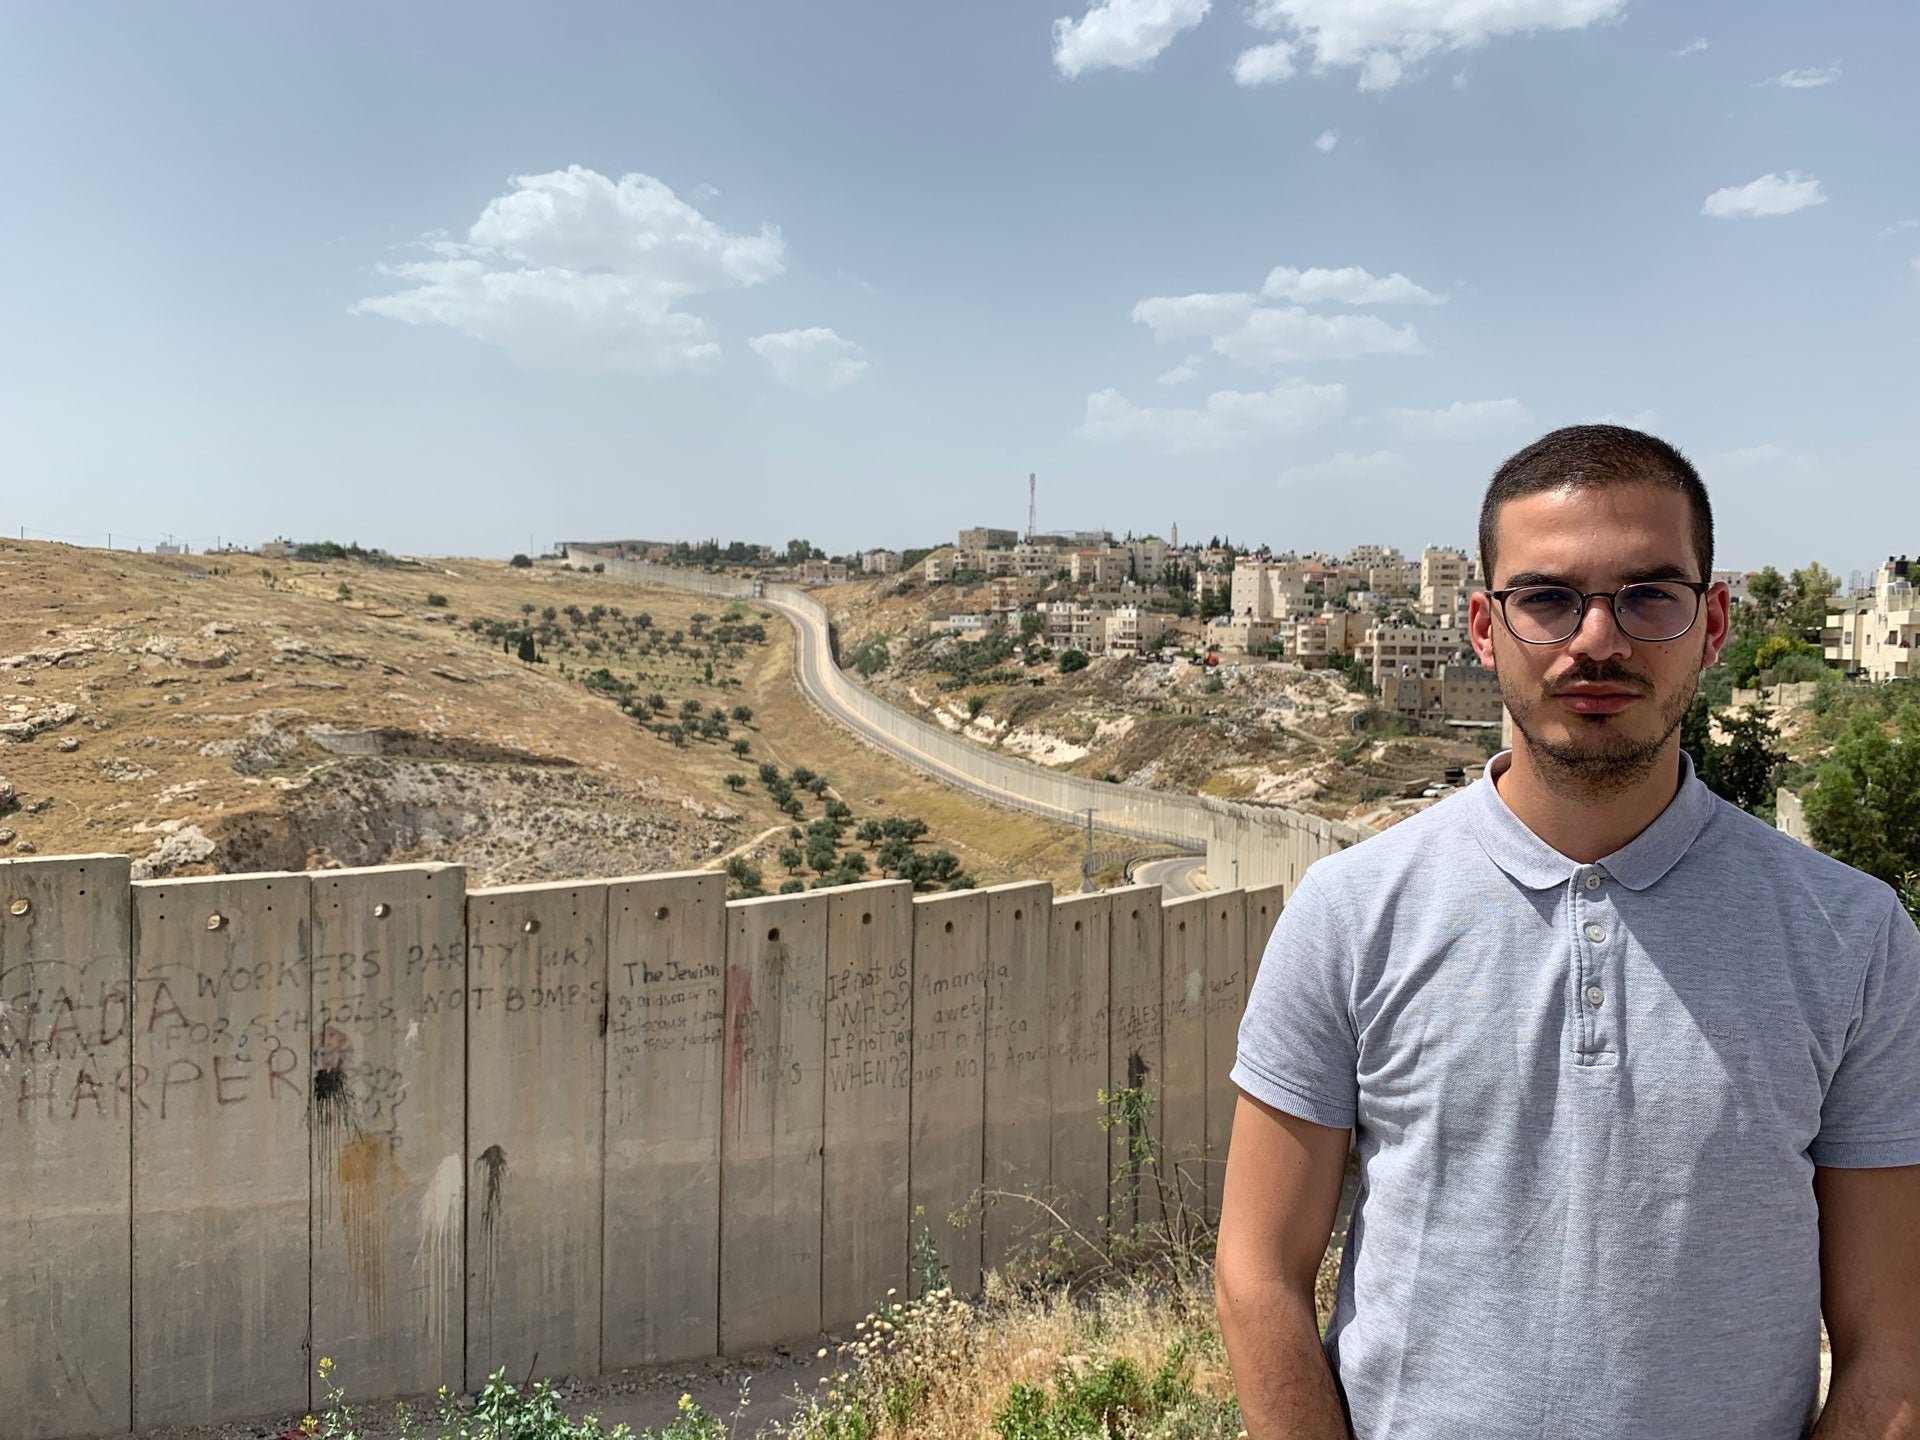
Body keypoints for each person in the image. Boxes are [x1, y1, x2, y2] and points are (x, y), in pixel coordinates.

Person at [1215, 425, 1920, 1439]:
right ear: (1481, 625)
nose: (1598, 640)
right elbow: (1256, 1271)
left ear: (1713, 622)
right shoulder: (1349, 914)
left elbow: (1893, 1347)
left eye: (1649, 596)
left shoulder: (1854, 938)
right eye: (1547, 598)